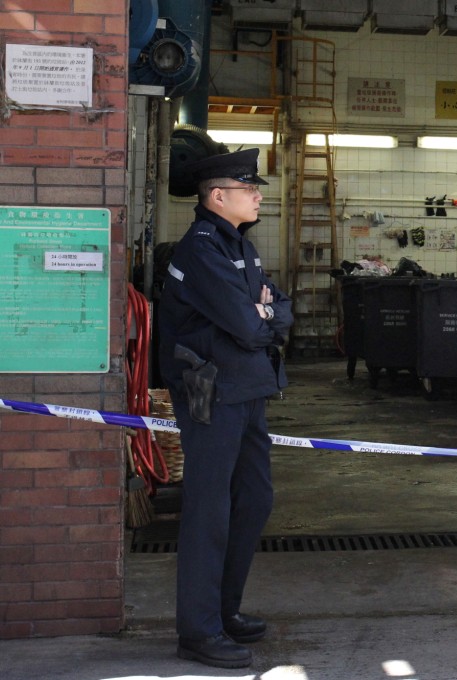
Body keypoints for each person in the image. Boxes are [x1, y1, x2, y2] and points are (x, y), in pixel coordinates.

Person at [158, 147, 293, 669]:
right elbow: (249, 325)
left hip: (248, 390)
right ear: (219, 196)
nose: (259, 195)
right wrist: (259, 314)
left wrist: (264, 311)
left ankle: (223, 612)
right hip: (212, 396)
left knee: (254, 501)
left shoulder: (240, 245)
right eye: (249, 189)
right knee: (209, 512)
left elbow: (277, 311)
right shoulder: (201, 249)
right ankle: (198, 630)